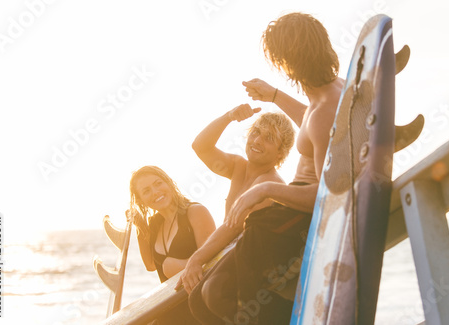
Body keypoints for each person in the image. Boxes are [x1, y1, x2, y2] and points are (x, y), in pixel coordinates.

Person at [187, 12, 344, 324]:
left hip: (293, 218)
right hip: (288, 213)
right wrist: (273, 95)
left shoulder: (324, 109)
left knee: (214, 296)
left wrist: (267, 189)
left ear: (287, 62)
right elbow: (311, 122)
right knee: (201, 298)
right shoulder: (329, 93)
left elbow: (330, 194)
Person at [176, 105, 296, 294]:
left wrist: (196, 259)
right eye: (255, 132)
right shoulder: (238, 166)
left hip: (250, 275)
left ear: (281, 152)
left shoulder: (270, 184)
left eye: (269, 138)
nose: (257, 140)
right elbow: (201, 147)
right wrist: (229, 116)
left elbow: (232, 227)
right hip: (227, 258)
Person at [127, 165, 216, 324]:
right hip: (172, 311)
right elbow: (150, 265)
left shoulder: (195, 212)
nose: (155, 192)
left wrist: (177, 265)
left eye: (158, 183)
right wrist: (140, 225)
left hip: (202, 311)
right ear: (141, 200)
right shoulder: (155, 224)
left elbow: (213, 265)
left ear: (169, 183)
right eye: (146, 191)